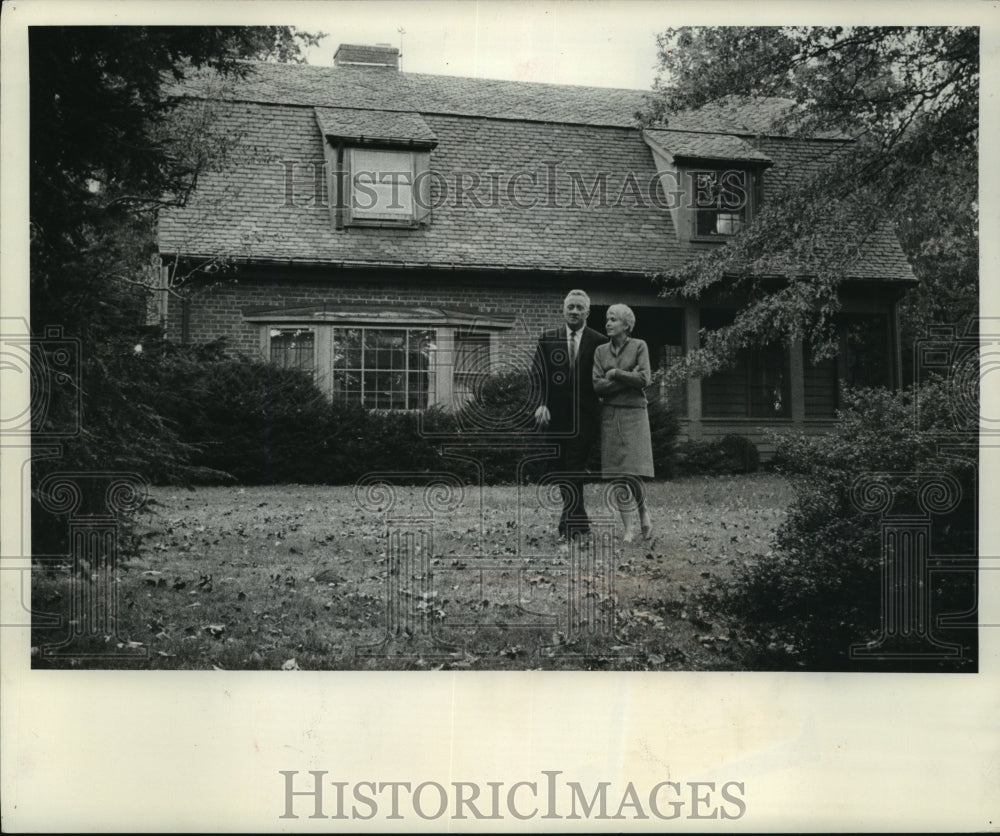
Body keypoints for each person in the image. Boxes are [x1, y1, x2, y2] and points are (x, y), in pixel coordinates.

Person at [532, 289, 606, 539]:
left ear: (588, 312)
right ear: (563, 310)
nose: (574, 311)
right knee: (561, 470)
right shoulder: (547, 339)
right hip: (555, 418)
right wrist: (541, 404)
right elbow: (537, 376)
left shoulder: (599, 342)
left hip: (585, 418)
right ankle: (580, 523)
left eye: (579, 307)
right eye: (570, 307)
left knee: (574, 467)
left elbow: (604, 378)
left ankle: (569, 526)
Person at [592, 303, 654, 542]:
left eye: (613, 319)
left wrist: (616, 373)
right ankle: (628, 528)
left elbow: (644, 379)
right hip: (610, 414)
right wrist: (628, 377)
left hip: (635, 414)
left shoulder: (640, 346)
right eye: (607, 319)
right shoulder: (600, 352)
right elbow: (597, 385)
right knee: (617, 473)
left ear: (626, 325)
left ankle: (643, 510)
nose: (608, 323)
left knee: (632, 472)